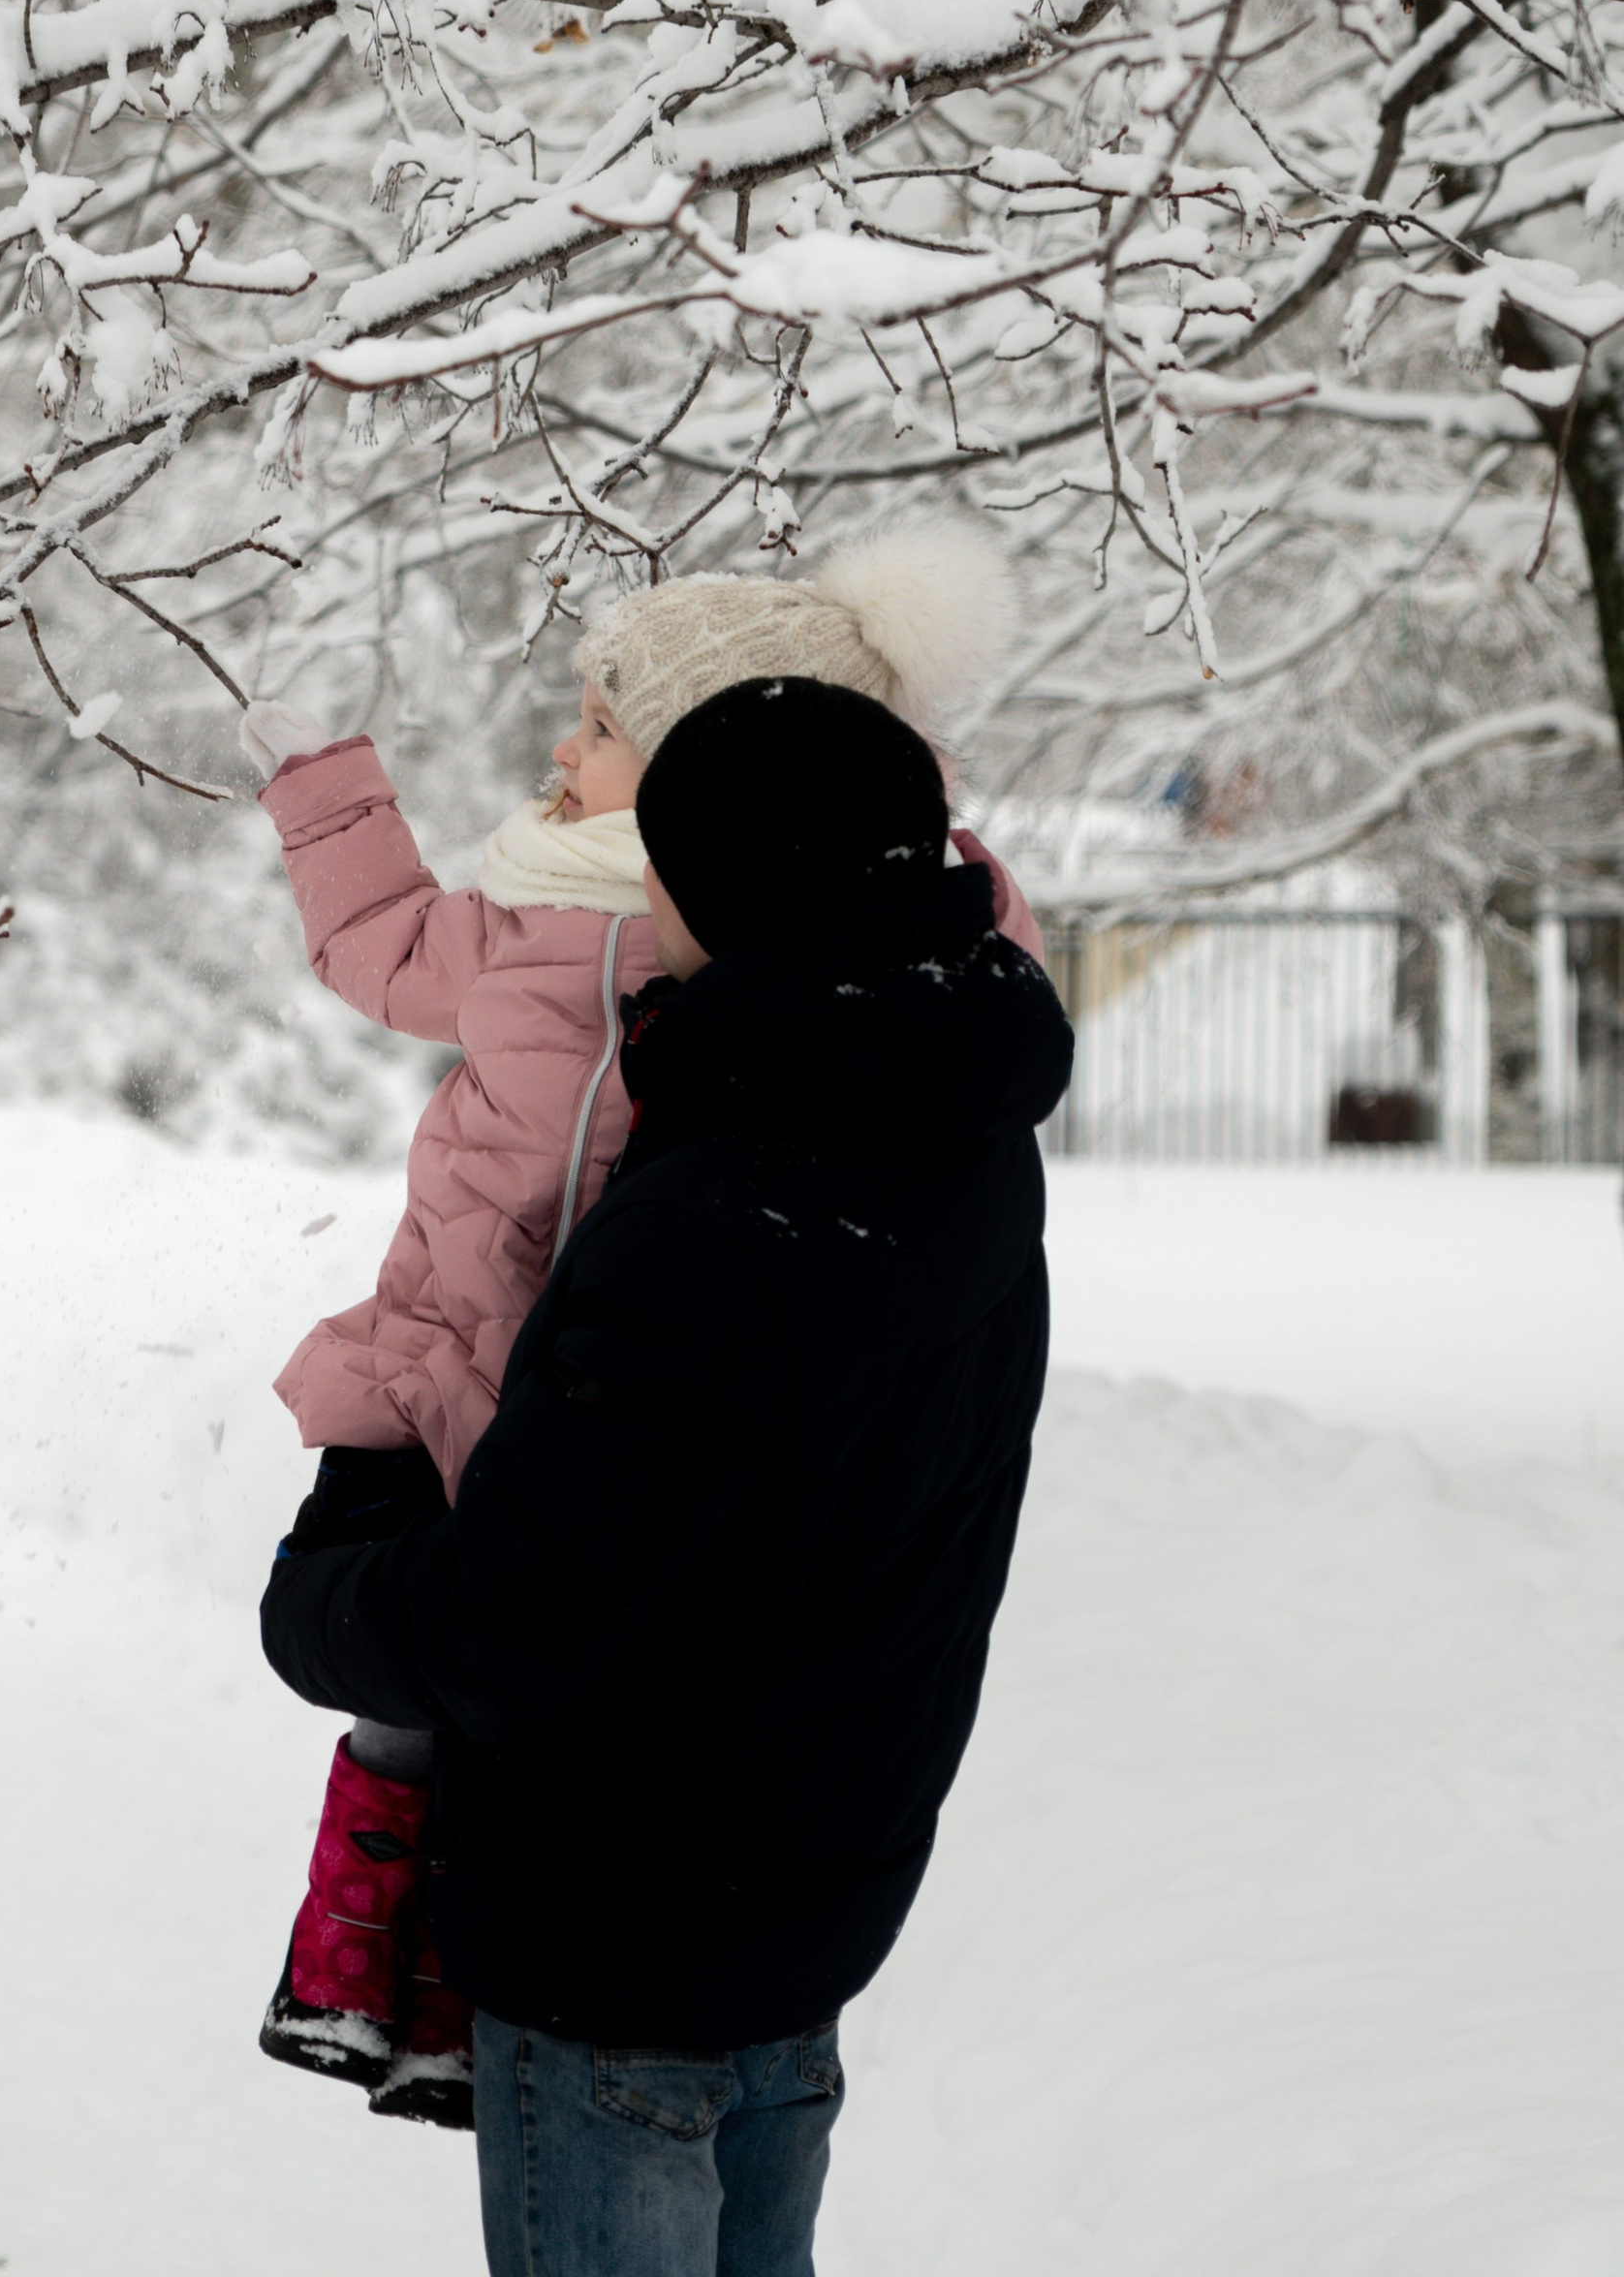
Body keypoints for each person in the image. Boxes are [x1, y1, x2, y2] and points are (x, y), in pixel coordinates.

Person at [261, 668, 1076, 2274]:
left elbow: (502, 1624)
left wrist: (328, 1587)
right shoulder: (965, 1148)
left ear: (727, 887)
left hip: (625, 1939)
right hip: (810, 1895)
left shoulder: (713, 1225)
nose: (640, 894)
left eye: (661, 861)